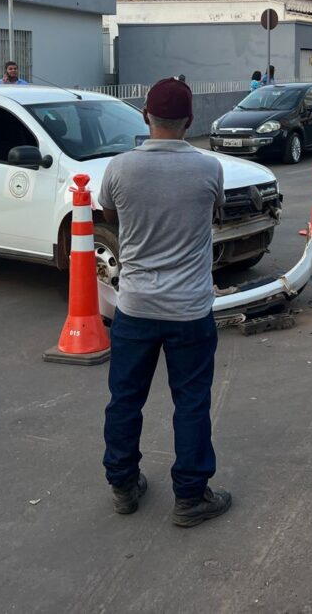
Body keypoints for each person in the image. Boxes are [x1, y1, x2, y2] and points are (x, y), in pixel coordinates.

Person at [98, 78, 231, 528]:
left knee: (125, 399)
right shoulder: (209, 168)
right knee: (191, 401)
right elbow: (215, 212)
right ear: (190, 121)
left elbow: (110, 214)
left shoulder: (119, 168)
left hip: (134, 305)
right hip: (190, 309)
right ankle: (191, 498)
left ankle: (123, 484)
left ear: (144, 117)